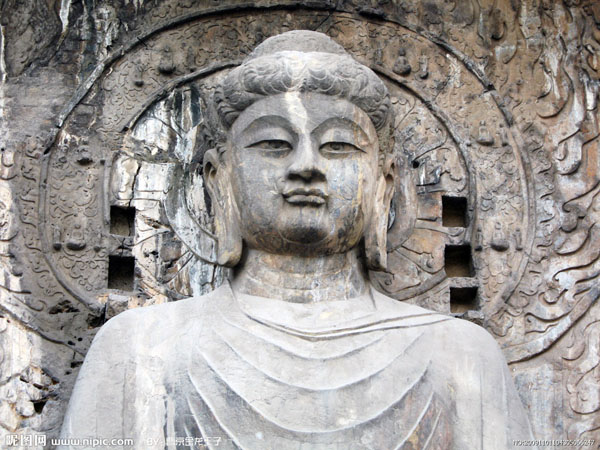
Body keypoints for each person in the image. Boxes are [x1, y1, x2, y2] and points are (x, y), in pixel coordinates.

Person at [60, 30, 535, 449]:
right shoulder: (140, 349)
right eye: (273, 144)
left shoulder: (462, 355)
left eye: (338, 146)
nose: (306, 165)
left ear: (384, 183)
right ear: (219, 177)